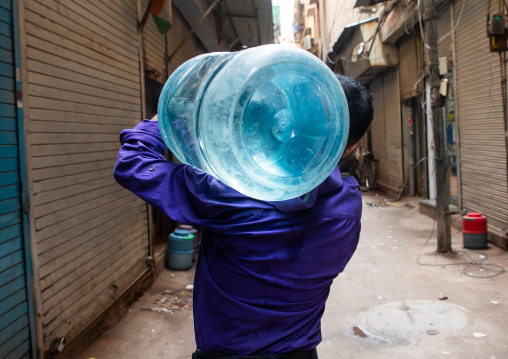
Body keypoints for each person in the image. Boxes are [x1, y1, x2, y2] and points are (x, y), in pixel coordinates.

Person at [114, 73, 373, 359]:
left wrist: (166, 116)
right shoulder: (349, 206)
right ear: (351, 146)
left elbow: (133, 164)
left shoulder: (227, 193)